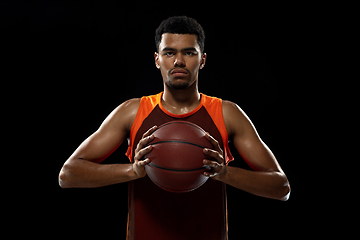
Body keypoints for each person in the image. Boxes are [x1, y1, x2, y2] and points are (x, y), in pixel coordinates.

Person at [59, 16, 290, 240]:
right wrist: (132, 171)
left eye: (189, 52)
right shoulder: (133, 112)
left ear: (202, 60)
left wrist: (225, 173)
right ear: (157, 59)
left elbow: (281, 187)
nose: (178, 61)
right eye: (169, 53)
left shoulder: (226, 113)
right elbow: (68, 174)